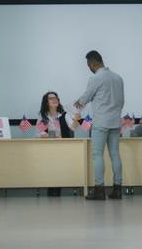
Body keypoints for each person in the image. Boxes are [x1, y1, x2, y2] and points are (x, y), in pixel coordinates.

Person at [73, 50, 124, 200]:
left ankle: (99, 189)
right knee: (115, 154)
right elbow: (122, 101)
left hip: (101, 122)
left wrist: (77, 104)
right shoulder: (118, 78)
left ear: (93, 63)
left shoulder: (96, 77)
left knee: (97, 155)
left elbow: (86, 96)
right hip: (115, 122)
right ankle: (117, 188)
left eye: (88, 65)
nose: (89, 67)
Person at [38, 91, 79, 197]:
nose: (54, 99)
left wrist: (76, 119)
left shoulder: (64, 115)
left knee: (60, 170)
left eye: (56, 98)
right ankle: (51, 191)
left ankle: (58, 191)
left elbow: (73, 127)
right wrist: (55, 135)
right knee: (50, 171)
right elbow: (42, 134)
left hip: (63, 148)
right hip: (48, 150)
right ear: (46, 102)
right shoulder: (43, 117)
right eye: (51, 98)